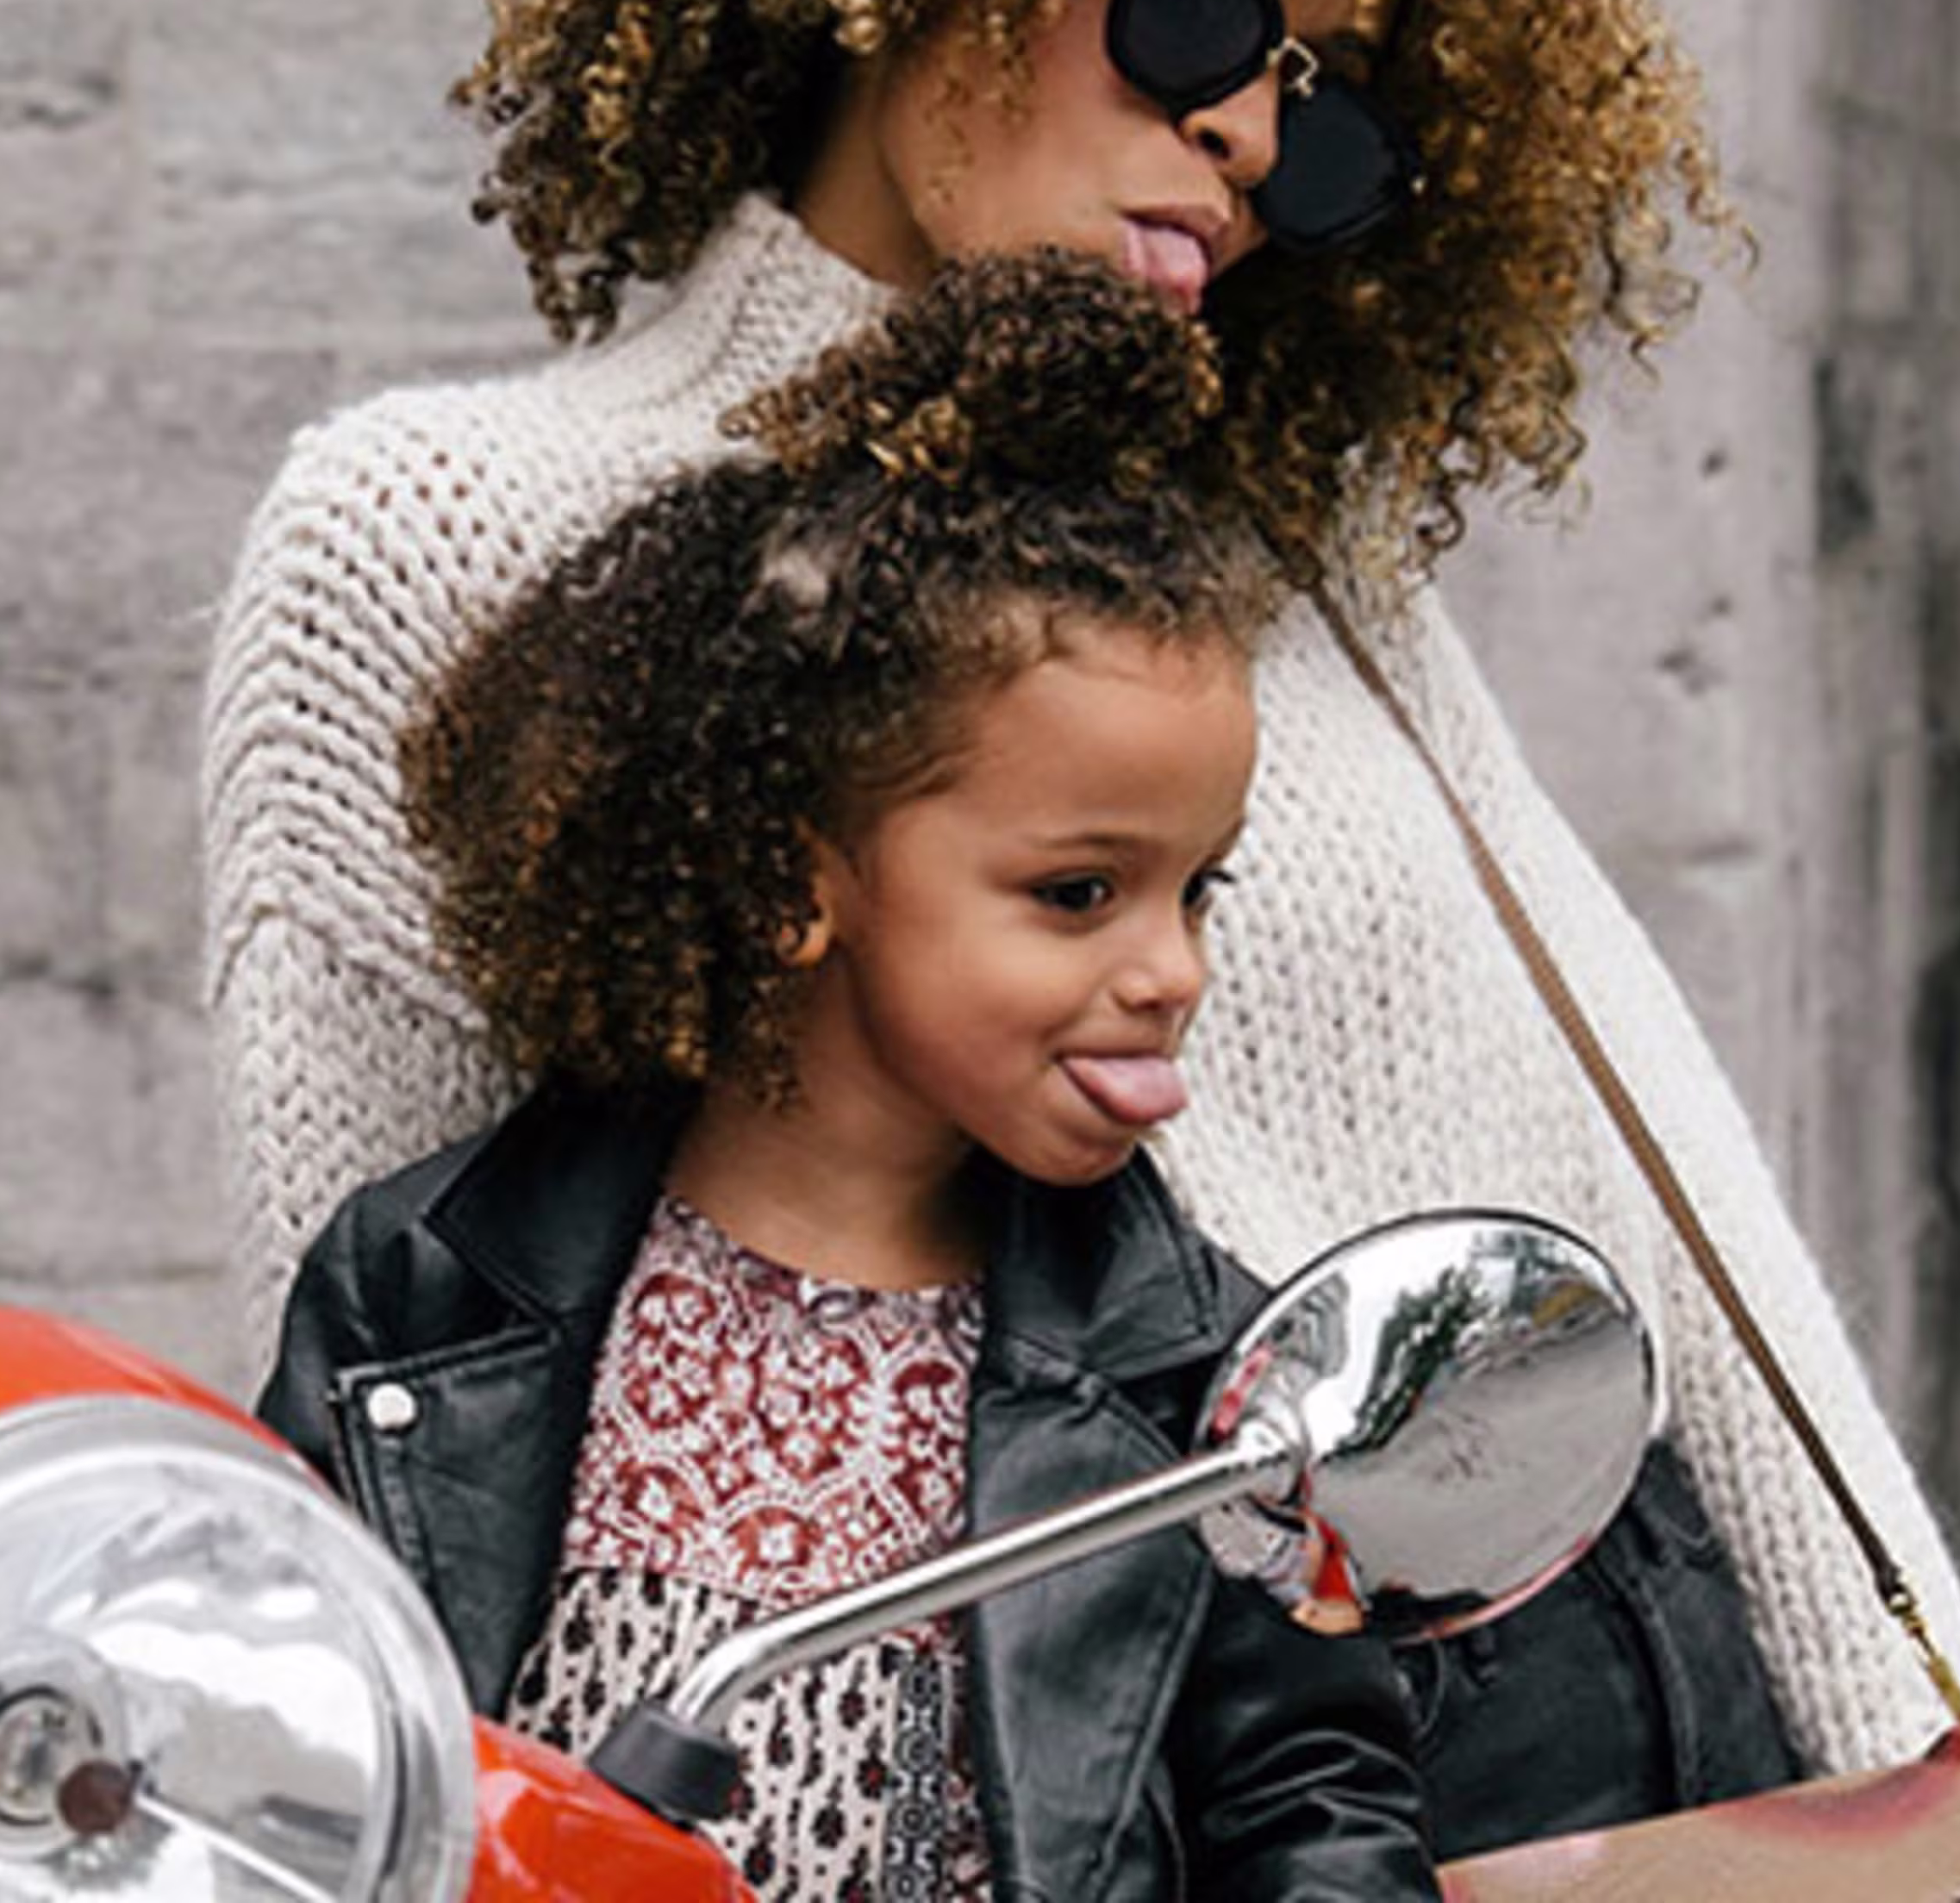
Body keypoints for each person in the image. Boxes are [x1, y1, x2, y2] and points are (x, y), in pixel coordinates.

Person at [203, 0, 1960, 1856]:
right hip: (1118, 1764)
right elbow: (417, 1424)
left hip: (1608, 1689)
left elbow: (1661, 1168)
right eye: (1201, 5)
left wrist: (1952, 1754)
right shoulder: (439, 535)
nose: (1249, 131)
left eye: (1327, 106)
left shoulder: (1282, 562)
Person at [261, 253, 1439, 1901]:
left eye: (1198, 891)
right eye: (1079, 893)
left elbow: (1312, 1807)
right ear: (789, 881)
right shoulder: (428, 1289)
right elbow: (281, 1749)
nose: (1172, 969)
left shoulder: (1200, 1389)